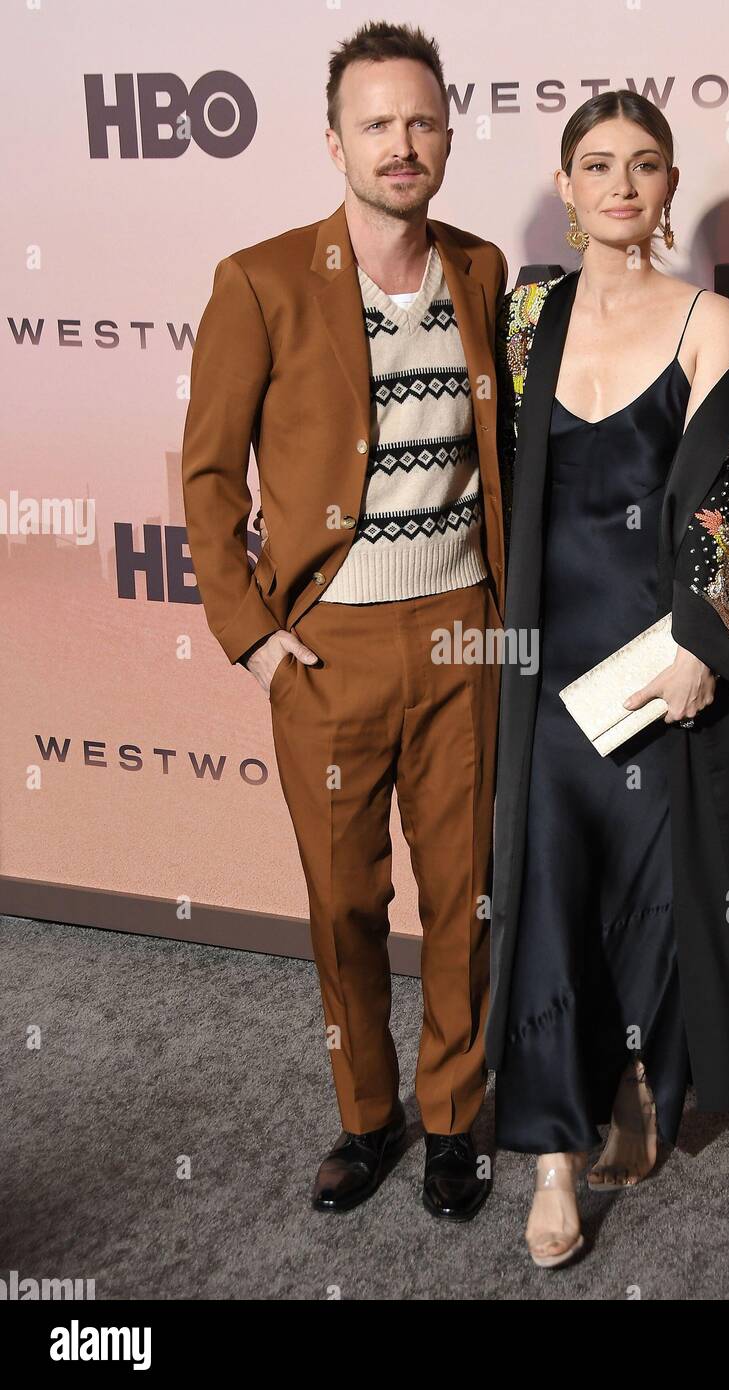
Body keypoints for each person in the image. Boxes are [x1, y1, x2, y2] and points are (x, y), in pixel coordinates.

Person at [181, 21, 508, 1220]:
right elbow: (209, 475)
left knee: (465, 897)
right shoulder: (258, 279)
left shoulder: (481, 271)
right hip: (327, 650)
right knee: (342, 906)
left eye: (421, 120)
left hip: (466, 634)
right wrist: (255, 634)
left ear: (447, 135)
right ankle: (368, 1118)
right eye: (376, 123)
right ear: (334, 142)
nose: (401, 143)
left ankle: (458, 1124)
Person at [487, 90, 729, 1267]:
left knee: (650, 896)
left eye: (643, 164)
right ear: (566, 185)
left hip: (648, 661)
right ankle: (550, 1161)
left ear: (668, 183)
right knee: (542, 898)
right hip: (537, 661)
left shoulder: (709, 319)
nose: (620, 184)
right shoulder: (527, 310)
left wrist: (699, 639)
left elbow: (718, 497)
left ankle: (637, 1075)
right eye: (596, 164)